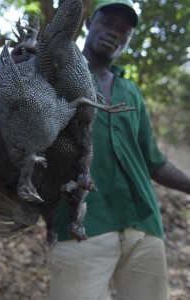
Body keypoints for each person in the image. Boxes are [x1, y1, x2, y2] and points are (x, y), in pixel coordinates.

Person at [48, 0, 190, 299]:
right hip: (81, 227)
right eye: (107, 22)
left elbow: (152, 161)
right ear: (88, 23)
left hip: (144, 227)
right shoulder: (54, 75)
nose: (115, 32)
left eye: (123, 30)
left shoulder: (131, 91)